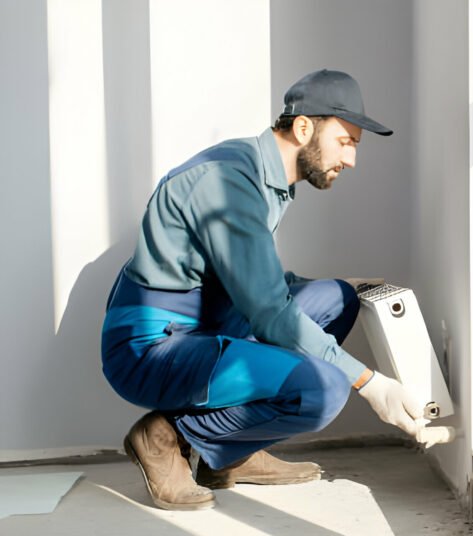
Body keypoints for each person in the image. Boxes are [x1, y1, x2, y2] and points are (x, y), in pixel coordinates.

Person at [101, 69, 430, 511]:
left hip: (205, 323)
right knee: (323, 389)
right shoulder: (229, 184)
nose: (351, 160)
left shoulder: (263, 177)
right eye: (346, 142)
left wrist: (351, 286)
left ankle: (226, 455)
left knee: (338, 299)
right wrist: (370, 384)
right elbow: (270, 312)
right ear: (303, 127)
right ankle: (164, 436)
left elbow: (255, 283)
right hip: (152, 347)